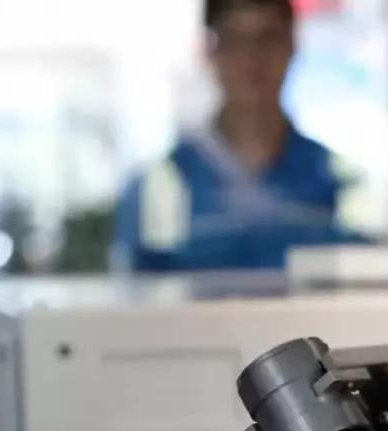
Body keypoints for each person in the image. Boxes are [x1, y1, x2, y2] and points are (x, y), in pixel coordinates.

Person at [114, 0, 370, 271]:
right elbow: (139, 289)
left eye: (267, 39)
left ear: (292, 45)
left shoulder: (342, 185)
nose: (252, 59)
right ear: (210, 51)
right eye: (234, 41)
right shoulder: (161, 188)